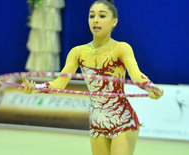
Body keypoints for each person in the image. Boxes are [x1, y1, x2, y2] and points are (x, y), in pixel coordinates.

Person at [21, 0, 164, 154]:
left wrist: (150, 87)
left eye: (102, 16)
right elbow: (59, 84)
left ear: (114, 22)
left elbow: (136, 76)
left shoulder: (121, 48)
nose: (95, 20)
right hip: (97, 122)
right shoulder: (77, 52)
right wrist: (35, 88)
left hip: (122, 119)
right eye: (92, 16)